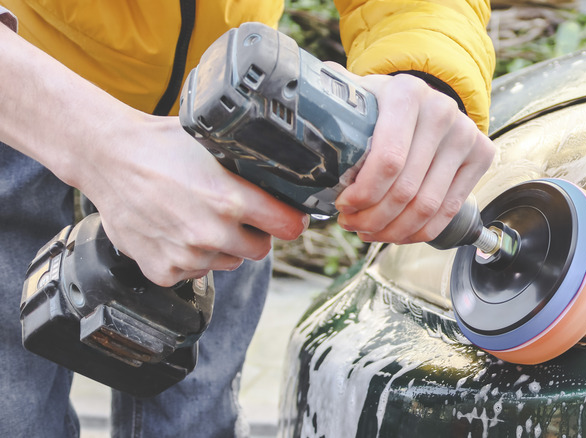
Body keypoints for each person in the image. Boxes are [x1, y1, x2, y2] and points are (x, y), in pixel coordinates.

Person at [0, 1, 495, 436]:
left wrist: (421, 70)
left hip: (242, 126)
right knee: (12, 414)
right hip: (24, 93)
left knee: (197, 415)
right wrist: (98, 143)